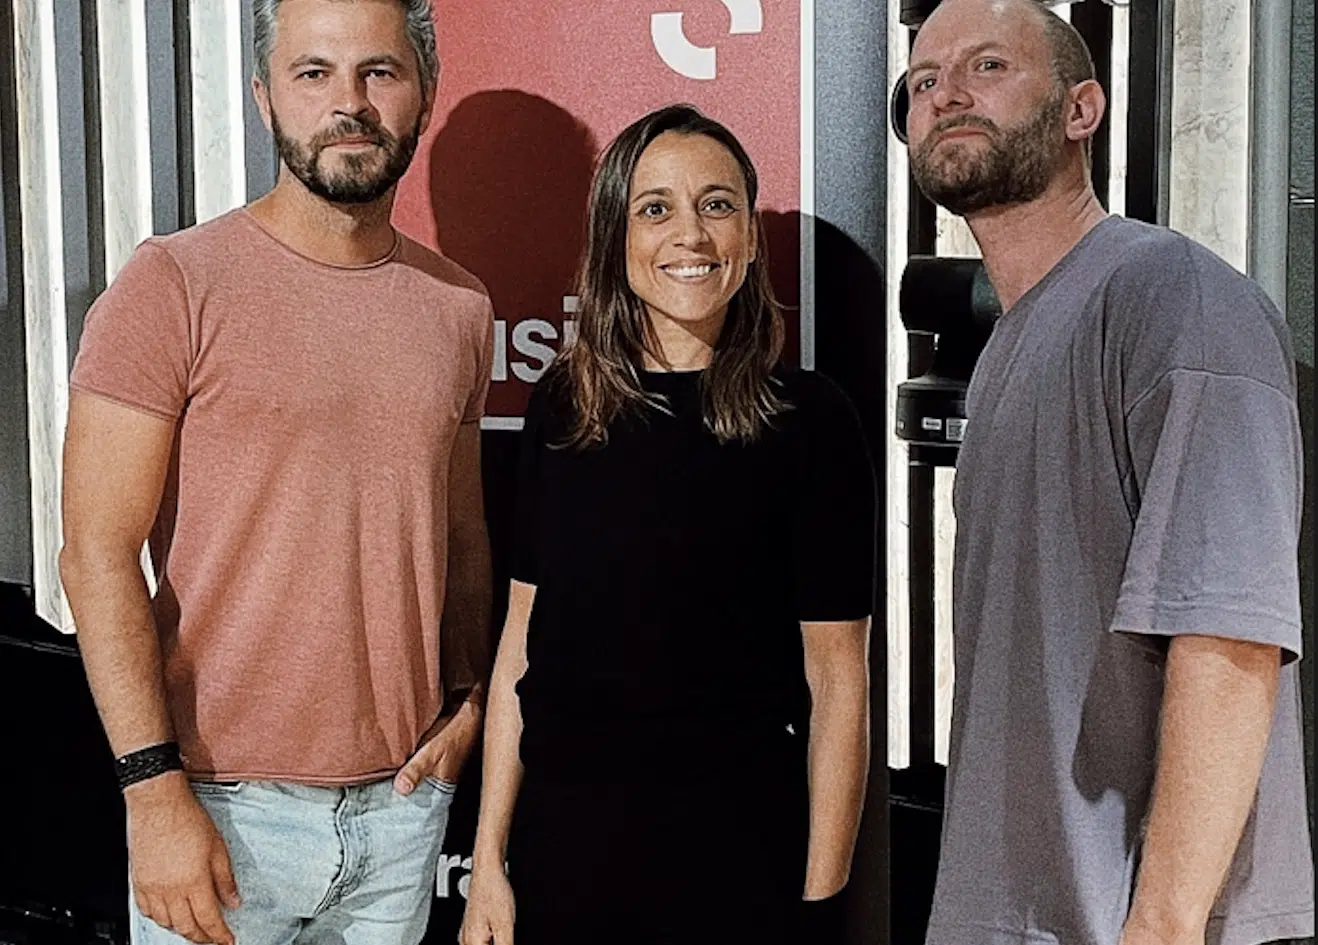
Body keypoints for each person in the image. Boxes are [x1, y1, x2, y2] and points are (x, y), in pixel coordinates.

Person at [59, 1, 494, 943]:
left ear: (424, 94)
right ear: (263, 97)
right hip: (216, 809)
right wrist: (151, 791)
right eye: (313, 72)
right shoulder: (173, 283)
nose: (350, 103)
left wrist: (468, 704)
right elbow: (95, 554)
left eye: (380, 72)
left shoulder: (459, 308)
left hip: (401, 811)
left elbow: (460, 534)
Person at [901, 2, 1315, 944]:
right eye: (925, 81)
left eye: (988, 66)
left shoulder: (1176, 298)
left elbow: (1230, 635)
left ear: (1081, 109)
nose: (948, 93)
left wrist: (1162, 925)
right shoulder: (1009, 350)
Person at [457, 104, 876, 945]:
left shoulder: (812, 421)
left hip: (740, 867)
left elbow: (839, 685)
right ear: (617, 238)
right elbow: (519, 650)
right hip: (564, 862)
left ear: (749, 238)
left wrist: (821, 907)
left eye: (717, 205)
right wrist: (489, 862)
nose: (691, 233)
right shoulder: (563, 408)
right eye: (656, 208)